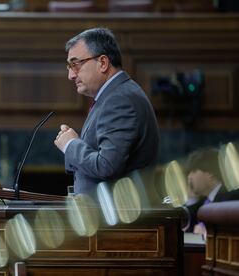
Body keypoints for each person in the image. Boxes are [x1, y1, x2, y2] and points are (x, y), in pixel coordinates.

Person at [54, 27, 159, 196]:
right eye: (69, 66)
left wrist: (71, 145)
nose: (71, 75)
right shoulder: (113, 96)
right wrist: (74, 145)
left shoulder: (120, 100)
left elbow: (107, 166)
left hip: (121, 218)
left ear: (103, 63)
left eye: (75, 64)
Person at [184, 147, 239, 234]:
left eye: (193, 171)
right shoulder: (202, 202)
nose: (189, 177)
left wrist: (206, 233)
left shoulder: (230, 199)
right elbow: (186, 227)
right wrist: (191, 198)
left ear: (210, 174)